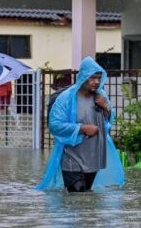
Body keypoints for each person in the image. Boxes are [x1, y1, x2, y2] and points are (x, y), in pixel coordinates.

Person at [37, 56, 124, 192]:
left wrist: (105, 107)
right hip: (72, 156)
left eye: (99, 78)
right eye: (92, 77)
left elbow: (108, 124)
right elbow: (54, 125)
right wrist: (82, 128)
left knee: (87, 197)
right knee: (77, 193)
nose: (96, 82)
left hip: (93, 157)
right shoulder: (66, 98)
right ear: (83, 76)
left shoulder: (101, 97)